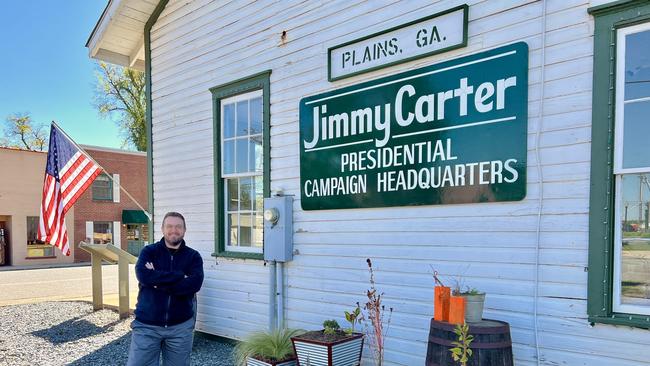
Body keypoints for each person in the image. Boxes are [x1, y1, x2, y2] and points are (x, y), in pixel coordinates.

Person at [127, 212, 204, 366]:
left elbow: (194, 284)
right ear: (162, 229)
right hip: (147, 326)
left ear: (184, 230)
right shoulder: (149, 252)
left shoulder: (193, 256)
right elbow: (144, 276)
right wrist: (180, 276)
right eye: (169, 226)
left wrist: (157, 282)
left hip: (180, 327)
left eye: (178, 227)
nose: (173, 230)